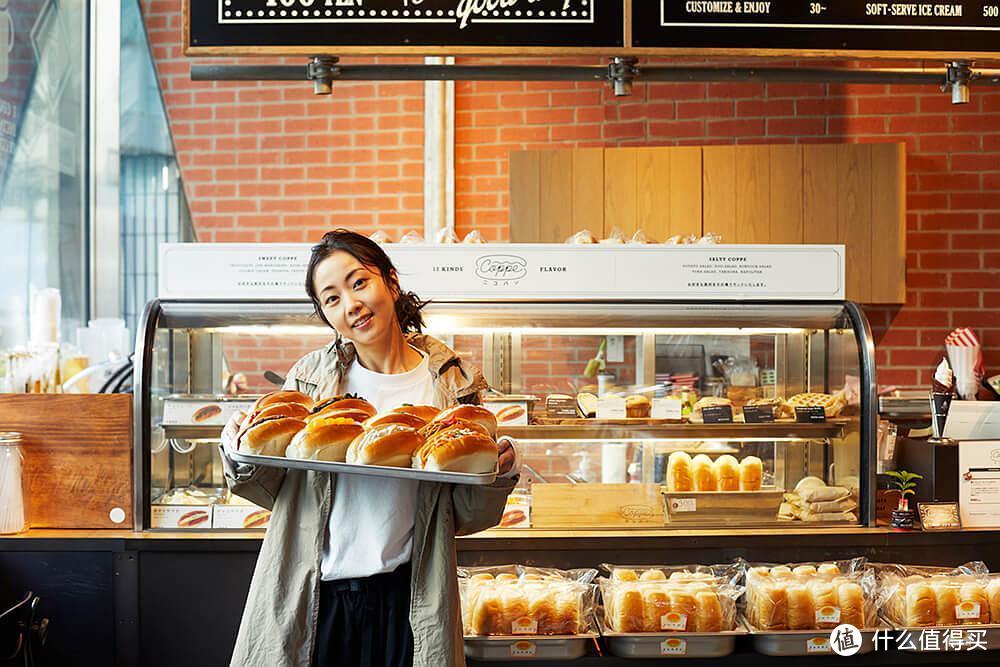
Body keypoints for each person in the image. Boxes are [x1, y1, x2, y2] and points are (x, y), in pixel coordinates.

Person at [220, 229, 519, 667]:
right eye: (332, 298)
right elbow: (270, 491)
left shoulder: (451, 384)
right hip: (318, 592)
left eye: (359, 282)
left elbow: (467, 515)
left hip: (411, 594)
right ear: (326, 315)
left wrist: (502, 471)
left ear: (391, 283)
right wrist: (237, 446)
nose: (351, 304)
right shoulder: (310, 382)